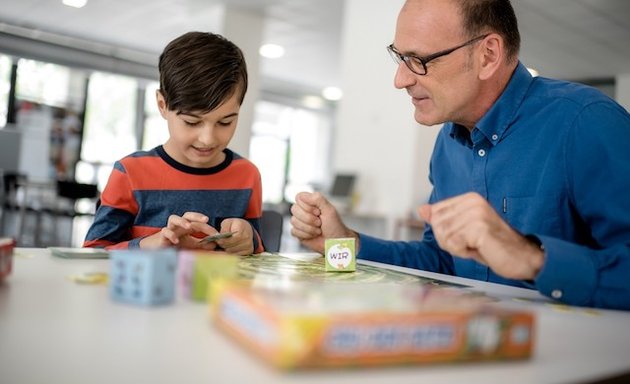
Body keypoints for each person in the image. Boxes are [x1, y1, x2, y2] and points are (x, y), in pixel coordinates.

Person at [291, 0, 630, 310]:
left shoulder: (585, 122)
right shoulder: (447, 144)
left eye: (419, 60)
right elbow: (439, 262)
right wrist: (343, 244)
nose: (400, 79)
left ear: (488, 55)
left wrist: (532, 259)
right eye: (399, 57)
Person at [84, 32, 264, 255]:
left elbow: (257, 251)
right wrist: (152, 244)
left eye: (225, 122)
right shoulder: (130, 173)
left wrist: (249, 239)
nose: (208, 138)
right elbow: (93, 253)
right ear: (162, 105)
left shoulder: (247, 175)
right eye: (191, 122)